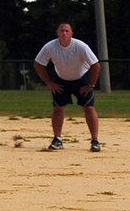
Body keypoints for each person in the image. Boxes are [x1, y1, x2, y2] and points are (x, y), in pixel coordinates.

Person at [33, 21, 102, 152]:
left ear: (71, 33)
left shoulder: (80, 46)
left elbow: (96, 65)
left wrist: (91, 85)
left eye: (67, 31)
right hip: (61, 79)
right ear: (57, 33)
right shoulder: (50, 47)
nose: (64, 33)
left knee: (89, 108)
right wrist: (49, 83)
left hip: (81, 78)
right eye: (61, 31)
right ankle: (57, 139)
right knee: (58, 108)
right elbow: (38, 64)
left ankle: (95, 140)